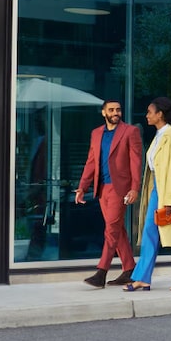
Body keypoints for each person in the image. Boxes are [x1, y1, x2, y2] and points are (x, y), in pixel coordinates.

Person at [124, 97, 171, 292]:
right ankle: (142, 278)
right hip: (157, 190)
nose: (146, 115)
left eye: (149, 112)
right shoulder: (159, 136)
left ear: (160, 114)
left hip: (169, 192)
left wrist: (170, 201)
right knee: (149, 232)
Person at [74, 99, 143, 288]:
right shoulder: (96, 134)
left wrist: (134, 188)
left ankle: (101, 272)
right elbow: (91, 162)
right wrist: (82, 187)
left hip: (120, 189)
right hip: (102, 188)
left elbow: (136, 162)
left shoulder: (130, 131)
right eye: (111, 110)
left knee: (111, 230)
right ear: (104, 112)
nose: (116, 112)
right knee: (117, 228)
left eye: (118, 110)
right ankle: (129, 269)